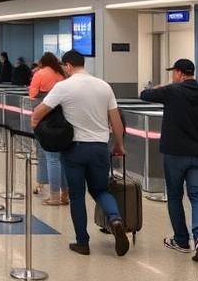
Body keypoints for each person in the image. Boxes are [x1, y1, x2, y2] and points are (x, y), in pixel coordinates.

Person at [31, 50, 129, 257]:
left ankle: (82, 243)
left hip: (74, 148)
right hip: (100, 147)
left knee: (77, 195)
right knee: (101, 190)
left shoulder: (64, 87)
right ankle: (115, 219)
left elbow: (38, 112)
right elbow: (116, 121)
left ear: (67, 66)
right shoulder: (104, 86)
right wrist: (118, 144)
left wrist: (41, 129)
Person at [139, 58, 198, 262]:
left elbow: (144, 95)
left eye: (173, 73)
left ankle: (181, 239)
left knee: (175, 197)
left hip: (175, 154)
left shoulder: (171, 92)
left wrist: (166, 86)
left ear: (178, 73)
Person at [28, 53, 68, 205]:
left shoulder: (40, 74)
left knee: (50, 158)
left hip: (46, 119)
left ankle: (54, 195)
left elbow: (32, 94)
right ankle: (65, 194)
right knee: (63, 157)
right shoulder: (63, 73)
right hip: (65, 118)